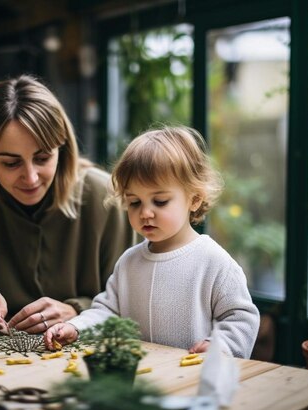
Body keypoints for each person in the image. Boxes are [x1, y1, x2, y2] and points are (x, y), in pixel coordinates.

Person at [44, 126, 260, 358]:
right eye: (135, 202)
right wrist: (76, 327)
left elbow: (241, 318)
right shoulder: (129, 261)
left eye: (160, 201)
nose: (145, 212)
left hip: (192, 380)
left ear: (194, 199)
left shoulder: (214, 262)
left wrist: (221, 346)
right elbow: (107, 311)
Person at [0, 75, 135, 334]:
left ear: (62, 147)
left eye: (43, 158)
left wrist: (77, 311)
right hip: (4, 361)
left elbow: (132, 301)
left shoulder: (105, 198)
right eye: (11, 163)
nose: (31, 178)